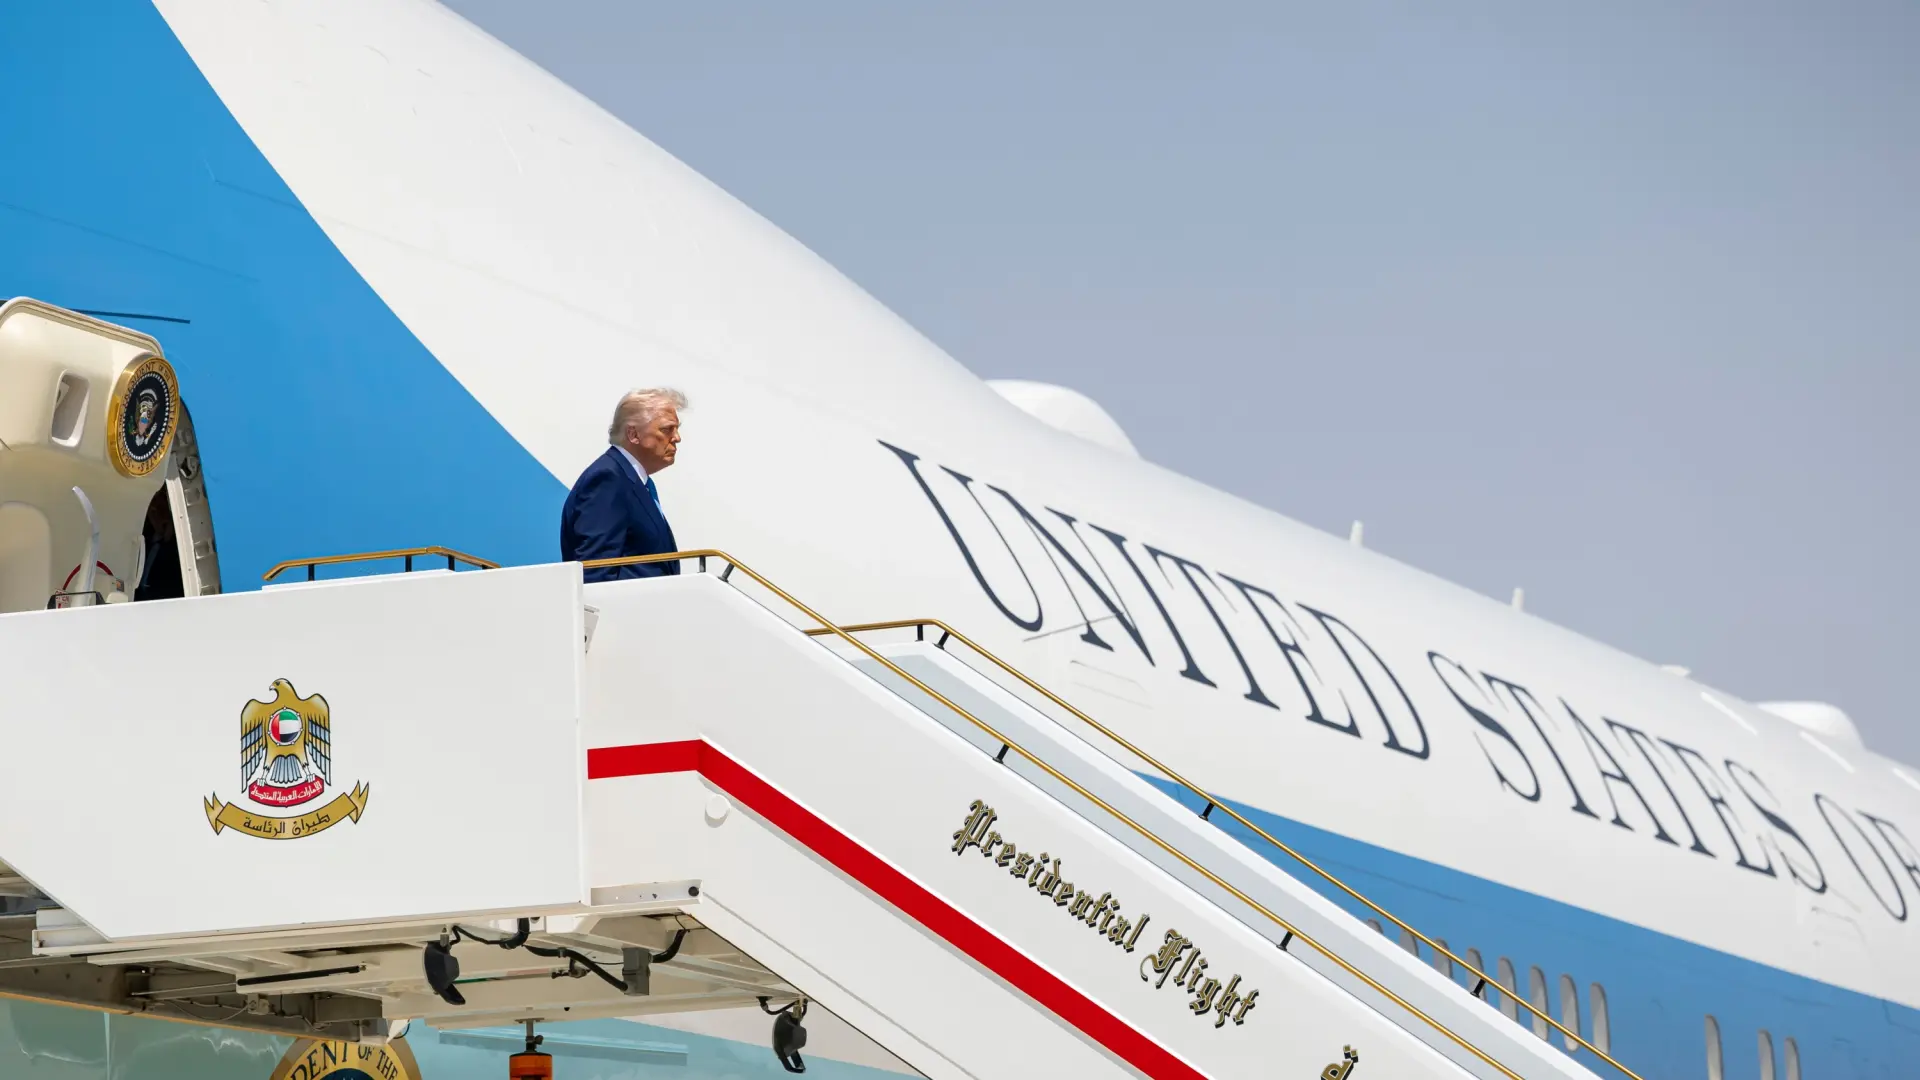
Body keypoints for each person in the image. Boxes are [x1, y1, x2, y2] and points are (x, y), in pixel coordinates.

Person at [561, 388, 687, 582]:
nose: (677, 437)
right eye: (667, 429)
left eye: (676, 429)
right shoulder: (608, 479)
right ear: (633, 434)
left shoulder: (636, 481)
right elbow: (594, 573)